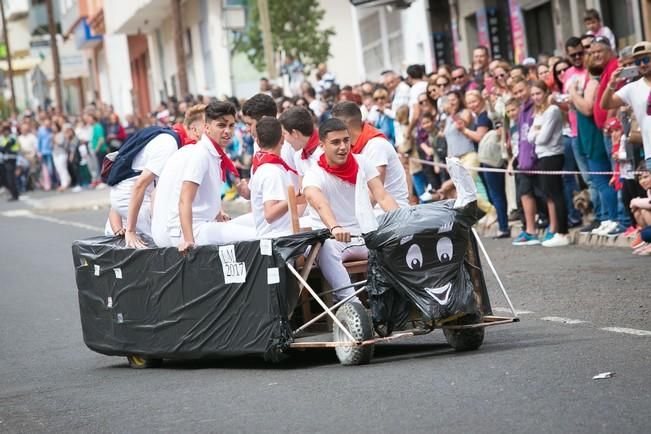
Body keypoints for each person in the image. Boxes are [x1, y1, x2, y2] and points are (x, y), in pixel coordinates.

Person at [303, 118, 399, 303]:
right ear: (322, 145)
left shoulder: (363, 162)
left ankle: (395, 302)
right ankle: (352, 304)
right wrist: (335, 227)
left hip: (363, 235)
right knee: (325, 247)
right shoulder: (313, 174)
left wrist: (402, 222)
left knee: (394, 241)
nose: (343, 147)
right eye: (336, 142)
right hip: (334, 238)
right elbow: (319, 203)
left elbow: (383, 197)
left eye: (346, 140)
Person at [152, 101, 256, 251]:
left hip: (201, 224)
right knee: (256, 234)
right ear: (207, 127)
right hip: (188, 230)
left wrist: (219, 217)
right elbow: (184, 199)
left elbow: (208, 196)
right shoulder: (200, 154)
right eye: (221, 125)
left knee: (259, 221)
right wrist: (188, 241)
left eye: (231, 125)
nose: (228, 131)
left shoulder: (211, 152)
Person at [108, 124, 181, 247]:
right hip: (121, 230)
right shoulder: (130, 184)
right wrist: (118, 230)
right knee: (163, 240)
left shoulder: (154, 175)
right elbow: (113, 209)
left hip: (139, 225)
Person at [570, 53, 619, 236]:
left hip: (594, 136)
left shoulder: (593, 82)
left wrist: (573, 93)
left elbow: (587, 108)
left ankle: (613, 218)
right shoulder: (591, 81)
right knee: (599, 181)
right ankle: (606, 217)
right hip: (587, 136)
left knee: (601, 180)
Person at [331, 101, 409, 207]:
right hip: (372, 210)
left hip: (389, 210)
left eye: (334, 125)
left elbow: (375, 194)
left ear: (345, 125)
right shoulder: (352, 147)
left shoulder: (376, 145)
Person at [527, 81, 570, 247]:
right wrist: (537, 132)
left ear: (546, 92)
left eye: (538, 93)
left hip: (553, 155)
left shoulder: (552, 110)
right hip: (542, 156)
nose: (536, 97)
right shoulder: (538, 112)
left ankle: (563, 232)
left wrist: (537, 132)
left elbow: (543, 138)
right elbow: (530, 137)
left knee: (556, 194)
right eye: (533, 94)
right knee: (550, 195)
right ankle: (558, 230)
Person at [601, 41, 651, 171]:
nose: (642, 64)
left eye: (646, 59)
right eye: (638, 62)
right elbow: (605, 104)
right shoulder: (632, 88)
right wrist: (612, 83)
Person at [250, 117, 299, 237]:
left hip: (278, 235)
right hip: (277, 239)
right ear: (282, 139)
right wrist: (294, 197)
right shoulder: (272, 171)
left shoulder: (264, 167)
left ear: (258, 142)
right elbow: (270, 214)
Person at [279, 106, 321, 181]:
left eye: (284, 134)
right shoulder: (298, 156)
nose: (284, 139)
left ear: (294, 133)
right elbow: (302, 189)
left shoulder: (326, 150)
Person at [0, 124, 20, 201]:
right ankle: (14, 193)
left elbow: (6, 146)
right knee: (7, 179)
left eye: (5, 131)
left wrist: (3, 148)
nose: (4, 133)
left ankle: (15, 195)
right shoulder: (3, 138)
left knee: (11, 178)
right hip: (5, 160)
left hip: (11, 159)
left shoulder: (12, 137)